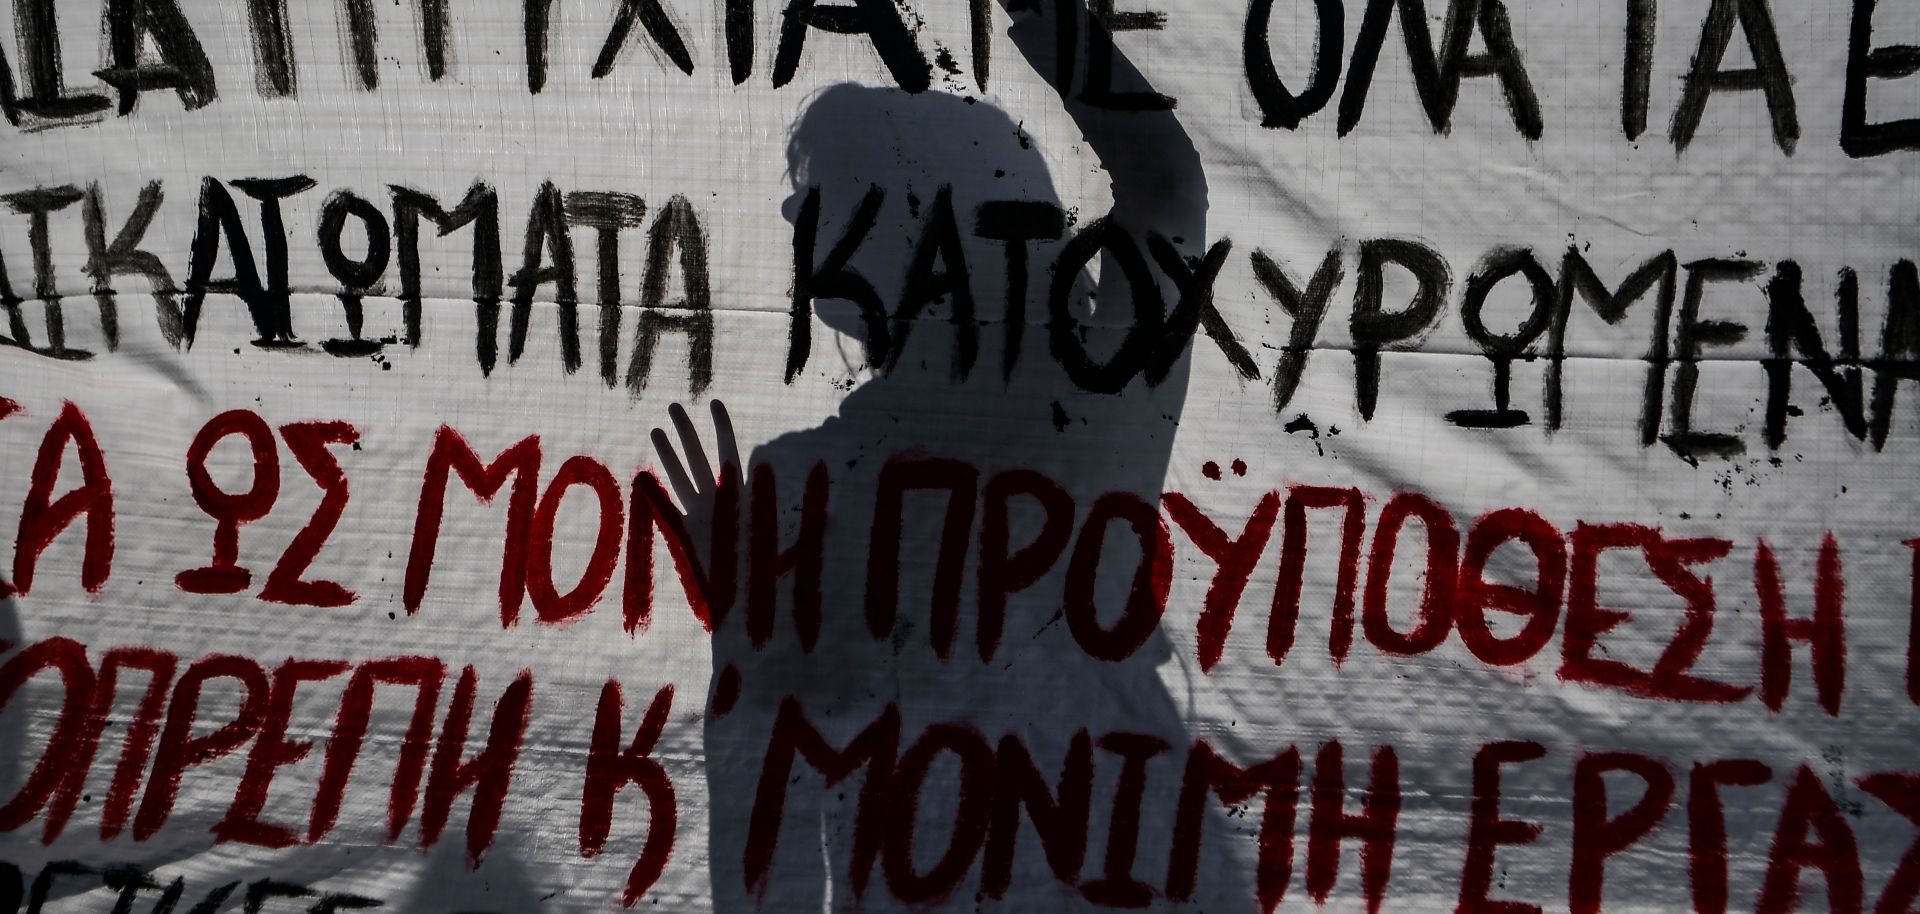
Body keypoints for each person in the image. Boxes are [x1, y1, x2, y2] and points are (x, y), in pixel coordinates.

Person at [653, 1, 1250, 908]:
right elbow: (1166, 186)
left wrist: (746, 617)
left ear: (905, 228)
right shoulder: (1103, 400)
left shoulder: (1092, 402)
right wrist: (746, 619)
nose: (793, 217)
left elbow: (769, 827)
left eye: (816, 195)